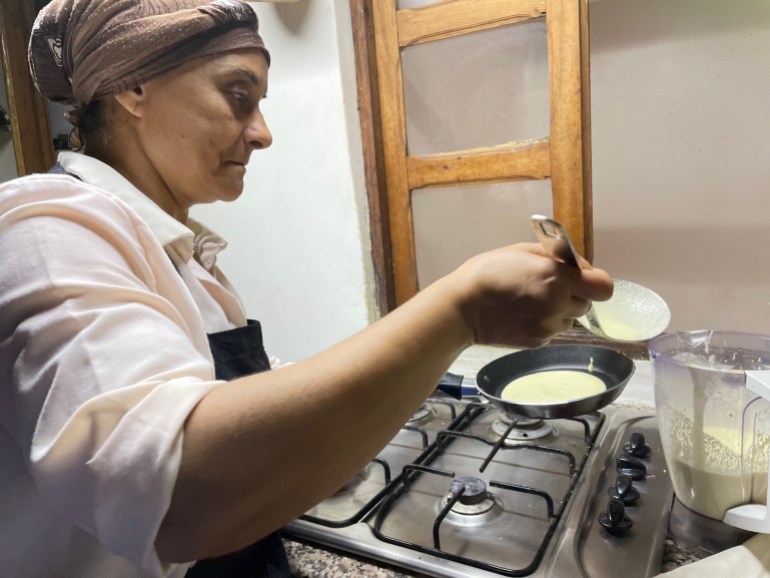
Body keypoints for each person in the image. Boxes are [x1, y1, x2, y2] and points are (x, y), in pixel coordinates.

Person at [0, 0, 614, 576]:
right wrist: (460, 311)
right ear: (134, 86)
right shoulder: (46, 228)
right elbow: (175, 498)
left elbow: (249, 399)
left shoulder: (186, 257)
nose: (262, 133)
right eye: (238, 95)